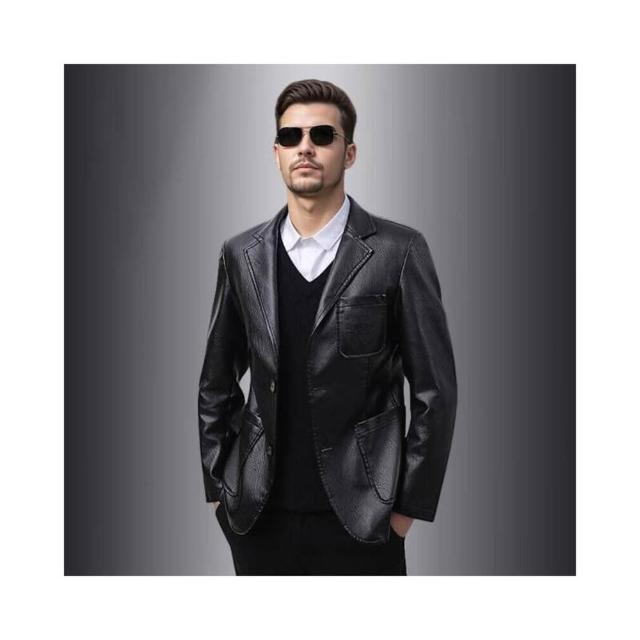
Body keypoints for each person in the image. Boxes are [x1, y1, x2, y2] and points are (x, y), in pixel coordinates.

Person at [198, 78, 458, 575]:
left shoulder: (398, 252)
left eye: (322, 135)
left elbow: (436, 393)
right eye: (291, 137)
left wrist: (403, 511)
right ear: (276, 152)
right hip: (258, 519)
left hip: (364, 520)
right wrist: (219, 492)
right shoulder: (241, 255)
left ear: (349, 153)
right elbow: (215, 383)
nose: (306, 148)